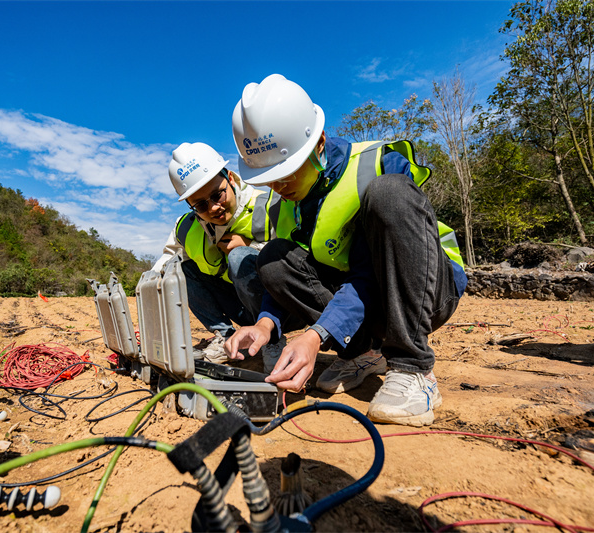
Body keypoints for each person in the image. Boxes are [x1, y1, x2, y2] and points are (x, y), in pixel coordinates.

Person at [224, 74, 467, 427]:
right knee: (272, 258)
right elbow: (303, 276)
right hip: (368, 304)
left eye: (286, 173)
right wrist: (265, 323)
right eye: (268, 178)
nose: (278, 186)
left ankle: (413, 368)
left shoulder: (377, 165)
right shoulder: (285, 205)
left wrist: (315, 336)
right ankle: (363, 353)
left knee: (389, 194)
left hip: (426, 293)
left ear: (319, 143)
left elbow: (368, 274)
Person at [152, 142, 293, 372]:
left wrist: (252, 247)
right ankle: (227, 338)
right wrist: (151, 284)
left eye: (217, 195)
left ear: (230, 178)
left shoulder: (271, 206)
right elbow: (167, 259)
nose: (213, 208)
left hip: (281, 307)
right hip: (240, 305)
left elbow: (297, 259)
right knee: (179, 270)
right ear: (190, 205)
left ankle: (272, 340)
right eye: (200, 205)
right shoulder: (187, 228)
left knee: (238, 257)